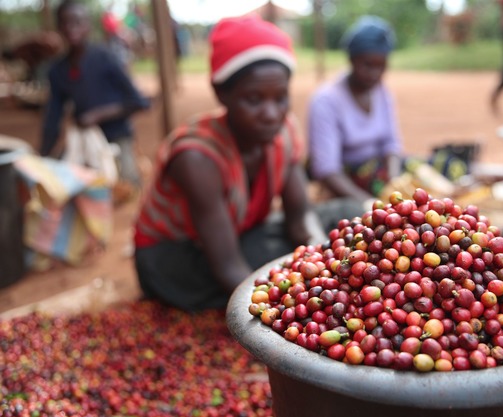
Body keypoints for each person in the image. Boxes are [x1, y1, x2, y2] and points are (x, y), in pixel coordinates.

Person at [133, 15, 362, 312]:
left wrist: (320, 260)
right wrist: (288, 310)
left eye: (280, 98)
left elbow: (299, 216)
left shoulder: (284, 131)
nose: (270, 113)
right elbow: (228, 266)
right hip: (180, 259)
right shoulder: (197, 157)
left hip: (237, 236)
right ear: (221, 94)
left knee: (349, 215)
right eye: (254, 99)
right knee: (274, 261)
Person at [307, 15, 503, 247]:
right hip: (351, 178)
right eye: (367, 65)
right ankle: (490, 235)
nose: (374, 74)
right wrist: (367, 202)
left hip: (384, 169)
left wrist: (394, 181)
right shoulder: (326, 101)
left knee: (442, 167)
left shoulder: (380, 91)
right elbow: (327, 170)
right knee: (410, 203)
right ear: (352, 59)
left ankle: (470, 226)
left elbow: (391, 145)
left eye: (381, 66)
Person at [40, 0, 150, 191]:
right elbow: (53, 118)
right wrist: (42, 156)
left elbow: (137, 102)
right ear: (58, 27)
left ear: (87, 26)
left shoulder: (105, 57)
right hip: (84, 139)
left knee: (124, 186)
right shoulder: (57, 70)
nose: (71, 28)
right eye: (65, 23)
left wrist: (98, 115)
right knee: (65, 183)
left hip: (116, 135)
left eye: (77, 22)